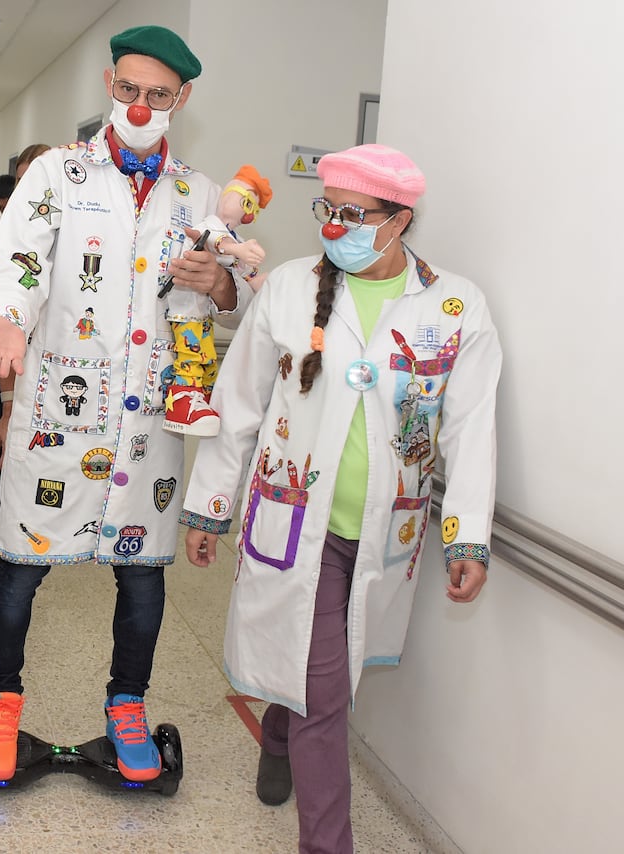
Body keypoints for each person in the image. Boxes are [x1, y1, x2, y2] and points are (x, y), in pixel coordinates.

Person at [180, 144, 502, 854]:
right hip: (298, 525)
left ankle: (277, 732)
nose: (334, 226)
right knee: (325, 695)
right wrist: (210, 504)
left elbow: (471, 430)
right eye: (328, 209)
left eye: (354, 215)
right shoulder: (290, 289)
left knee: (314, 675)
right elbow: (239, 405)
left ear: (400, 220)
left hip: (385, 532)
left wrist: (468, 536)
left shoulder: (455, 306)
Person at [0, 25, 249, 784]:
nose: (140, 106)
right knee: (19, 570)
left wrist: (220, 282)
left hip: (150, 420)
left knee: (142, 576)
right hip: (61, 411)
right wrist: (6, 319)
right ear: (109, 85)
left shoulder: (198, 193)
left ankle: (127, 705)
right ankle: (1, 702)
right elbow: (19, 260)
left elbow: (230, 294)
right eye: (128, 89)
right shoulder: (58, 173)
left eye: (158, 94)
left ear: (183, 98)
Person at [163, 164, 273, 437]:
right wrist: (238, 249)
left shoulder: (236, 237)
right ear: (229, 193)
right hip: (185, 308)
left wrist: (268, 281)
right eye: (247, 203)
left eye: (254, 210)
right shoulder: (213, 225)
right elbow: (215, 241)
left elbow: (245, 278)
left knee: (207, 356)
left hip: (201, 313)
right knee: (191, 354)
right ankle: (182, 400)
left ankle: (201, 395)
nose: (248, 214)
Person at [0, 145, 50, 575]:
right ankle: (4, 541)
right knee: (10, 444)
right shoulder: (8, 234)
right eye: (23, 181)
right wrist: (7, 407)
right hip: (15, 361)